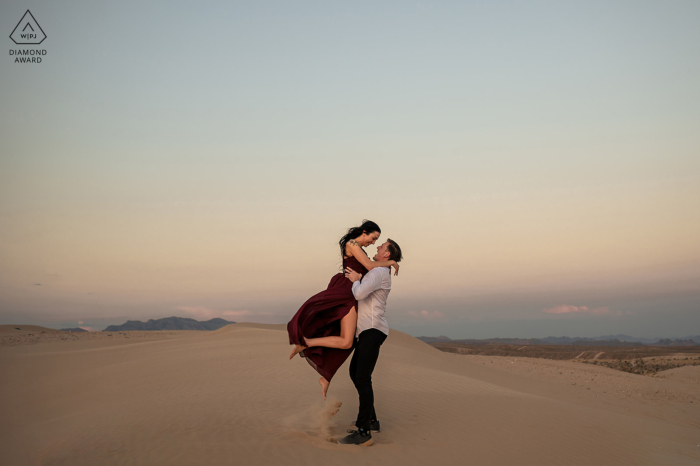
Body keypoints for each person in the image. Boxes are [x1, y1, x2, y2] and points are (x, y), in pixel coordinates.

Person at [287, 220, 399, 400]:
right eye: (373, 238)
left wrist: (365, 274)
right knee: (347, 341)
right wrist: (391, 261)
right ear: (364, 232)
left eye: (377, 240)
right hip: (347, 292)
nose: (373, 243)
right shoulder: (352, 244)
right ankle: (308, 344)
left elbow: (367, 270)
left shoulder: (361, 250)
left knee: (348, 341)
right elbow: (370, 267)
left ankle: (325, 375)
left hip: (352, 293)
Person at [337, 239, 402, 446]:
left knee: (362, 377)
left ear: (386, 255)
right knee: (356, 373)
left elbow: (359, 293)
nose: (377, 247)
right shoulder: (379, 271)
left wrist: (356, 279)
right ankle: (371, 421)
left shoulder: (378, 273)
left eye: (381, 246)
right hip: (369, 331)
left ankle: (364, 431)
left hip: (372, 330)